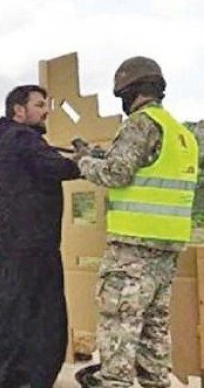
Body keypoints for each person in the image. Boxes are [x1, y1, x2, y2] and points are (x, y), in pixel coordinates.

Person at [73, 57, 199, 388]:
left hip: (132, 250)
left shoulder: (139, 125)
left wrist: (84, 161)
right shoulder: (181, 134)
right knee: (153, 330)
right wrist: (103, 154)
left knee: (119, 324)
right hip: (166, 248)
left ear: (130, 92)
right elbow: (145, 170)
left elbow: (116, 173)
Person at [0, 85, 81, 387]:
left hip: (15, 240)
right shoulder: (22, 138)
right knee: (40, 315)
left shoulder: (9, 139)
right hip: (32, 245)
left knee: (8, 309)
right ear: (19, 110)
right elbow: (56, 167)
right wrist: (83, 160)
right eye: (39, 104)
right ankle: (22, 375)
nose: (46, 111)